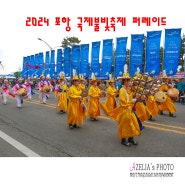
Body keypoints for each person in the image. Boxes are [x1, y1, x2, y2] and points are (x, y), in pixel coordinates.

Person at [108, 65, 141, 147]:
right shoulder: (122, 90)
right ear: (125, 82)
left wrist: (136, 97)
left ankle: (131, 139)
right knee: (125, 125)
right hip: (124, 111)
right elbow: (123, 103)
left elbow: (131, 98)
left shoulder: (128, 89)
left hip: (129, 110)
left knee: (133, 124)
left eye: (129, 81)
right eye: (128, 81)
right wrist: (132, 101)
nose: (130, 82)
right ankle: (123, 140)